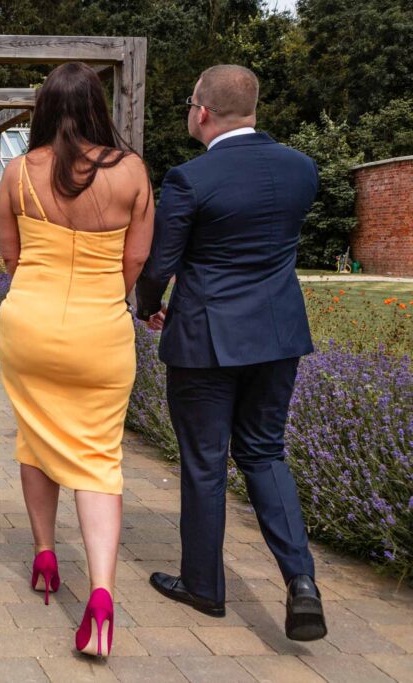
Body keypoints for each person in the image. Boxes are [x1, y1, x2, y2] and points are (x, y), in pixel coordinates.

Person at [135, 65, 327, 642]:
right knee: (266, 453)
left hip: (206, 339)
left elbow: (161, 265)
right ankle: (302, 582)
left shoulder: (191, 178)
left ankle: (204, 587)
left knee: (204, 462)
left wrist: (147, 307)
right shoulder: (302, 169)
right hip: (278, 334)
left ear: (203, 112)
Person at [0, 61, 154, 658]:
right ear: (97, 108)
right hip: (100, 331)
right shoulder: (132, 172)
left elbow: (9, 256)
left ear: (43, 109)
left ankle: (43, 555)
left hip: (28, 324)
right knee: (97, 455)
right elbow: (134, 264)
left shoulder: (19, 171)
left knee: (35, 433)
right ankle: (103, 593)